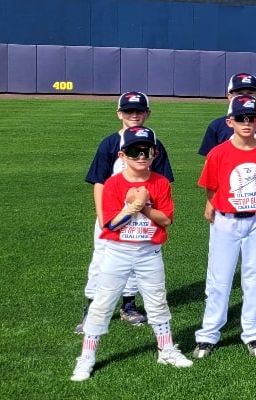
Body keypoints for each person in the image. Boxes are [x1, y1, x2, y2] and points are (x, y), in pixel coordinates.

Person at [71, 127, 192, 381]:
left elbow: (167, 220)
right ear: (122, 155)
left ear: (154, 153)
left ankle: (166, 349)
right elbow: (111, 224)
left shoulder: (159, 182)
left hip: (149, 251)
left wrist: (144, 207)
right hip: (118, 251)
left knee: (157, 300)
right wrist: (132, 206)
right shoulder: (114, 183)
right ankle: (86, 358)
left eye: (146, 151)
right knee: (103, 303)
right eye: (134, 151)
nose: (141, 156)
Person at [194, 95, 256, 358]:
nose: (246, 123)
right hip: (227, 220)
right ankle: (209, 334)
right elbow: (211, 187)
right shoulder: (218, 152)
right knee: (219, 279)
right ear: (230, 121)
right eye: (240, 118)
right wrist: (218, 206)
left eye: (252, 118)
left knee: (254, 278)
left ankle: (254, 334)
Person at [79, 91, 174, 333]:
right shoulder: (110, 143)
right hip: (113, 214)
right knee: (101, 258)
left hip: (144, 215)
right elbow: (99, 181)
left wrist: (147, 208)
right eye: (129, 111)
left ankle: (128, 305)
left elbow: (161, 182)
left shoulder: (154, 144)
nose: (134, 115)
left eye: (139, 111)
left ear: (148, 113)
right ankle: (92, 305)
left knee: (137, 257)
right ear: (119, 113)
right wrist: (103, 216)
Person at [198, 73, 256, 157]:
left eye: (250, 93)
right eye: (239, 93)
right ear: (230, 96)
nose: (245, 97)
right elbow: (210, 159)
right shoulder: (217, 126)